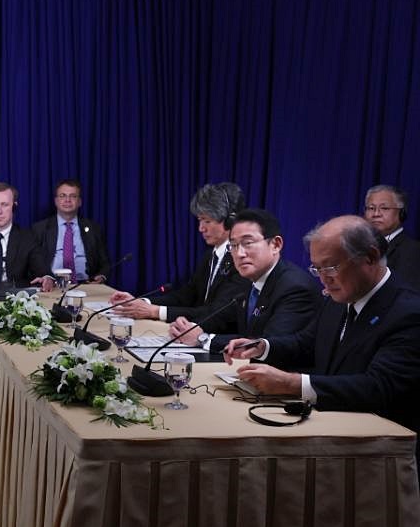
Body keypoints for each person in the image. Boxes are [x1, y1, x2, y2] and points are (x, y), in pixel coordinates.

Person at [225, 216, 420, 445]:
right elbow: (307, 344)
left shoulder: (409, 312)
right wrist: (262, 347)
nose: (323, 279)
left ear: (371, 257)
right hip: (327, 427)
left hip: (378, 444)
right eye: (317, 268)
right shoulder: (339, 298)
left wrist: (292, 384)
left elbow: (378, 387)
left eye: (331, 267)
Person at [169, 208, 319, 354]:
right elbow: (222, 318)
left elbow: (268, 344)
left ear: (275, 245)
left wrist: (203, 339)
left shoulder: (295, 287)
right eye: (233, 245)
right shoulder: (248, 280)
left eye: (248, 243)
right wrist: (188, 328)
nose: (239, 253)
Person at [110, 182, 249, 321]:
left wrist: (155, 312)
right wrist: (143, 303)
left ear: (230, 221)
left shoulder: (241, 260)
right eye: (200, 220)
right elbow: (187, 296)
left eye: (207, 221)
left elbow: (216, 312)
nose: (201, 228)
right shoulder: (210, 255)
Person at [31, 179, 112, 283]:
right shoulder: (39, 228)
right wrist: (46, 277)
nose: (67, 200)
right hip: (52, 284)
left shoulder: (93, 228)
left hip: (86, 285)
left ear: (79, 202)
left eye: (73, 196)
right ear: (56, 201)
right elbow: (33, 262)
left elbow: (105, 263)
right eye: (62, 196)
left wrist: (102, 276)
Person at [363, 183, 420, 289]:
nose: (376, 214)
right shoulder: (358, 246)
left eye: (384, 208)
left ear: (402, 213)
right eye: (371, 208)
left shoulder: (414, 251)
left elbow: (410, 295)